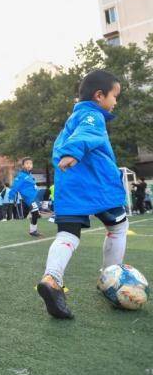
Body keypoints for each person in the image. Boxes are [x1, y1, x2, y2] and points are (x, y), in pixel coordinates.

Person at [37, 70, 127, 320]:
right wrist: (75, 152)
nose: (116, 102)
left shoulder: (72, 120)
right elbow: (87, 135)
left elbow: (67, 143)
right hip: (96, 185)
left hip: (70, 186)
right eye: (114, 96)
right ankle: (110, 276)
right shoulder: (92, 115)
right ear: (99, 96)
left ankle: (52, 278)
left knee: (67, 235)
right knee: (118, 228)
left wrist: (68, 155)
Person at [8, 157, 42, 236]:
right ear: (23, 165)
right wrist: (11, 197)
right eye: (27, 163)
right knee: (35, 212)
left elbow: (32, 187)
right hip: (29, 198)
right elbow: (15, 186)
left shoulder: (30, 175)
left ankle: (33, 229)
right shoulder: (21, 176)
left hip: (34, 197)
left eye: (30, 163)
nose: (29, 165)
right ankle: (33, 231)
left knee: (35, 213)